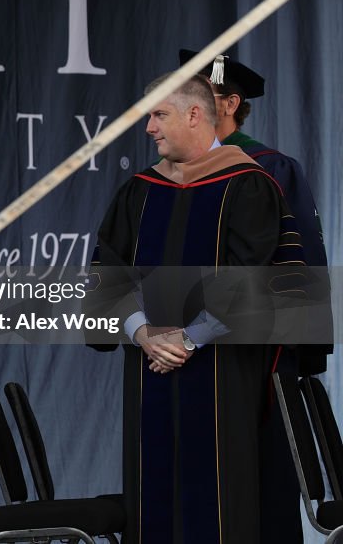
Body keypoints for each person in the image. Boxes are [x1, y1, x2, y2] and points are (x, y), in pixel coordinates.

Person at [85, 74, 305, 544]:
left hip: (226, 376)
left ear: (193, 114)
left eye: (159, 114)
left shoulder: (249, 185)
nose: (148, 127)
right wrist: (144, 333)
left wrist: (185, 340)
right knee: (151, 500)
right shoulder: (139, 192)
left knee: (221, 505)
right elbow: (107, 274)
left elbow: (254, 281)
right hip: (149, 371)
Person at [182, 49, 332, 544]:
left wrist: (300, 352)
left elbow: (301, 262)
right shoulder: (169, 176)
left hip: (255, 356)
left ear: (228, 104)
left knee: (259, 484)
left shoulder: (268, 168)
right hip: (185, 355)